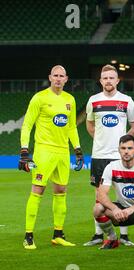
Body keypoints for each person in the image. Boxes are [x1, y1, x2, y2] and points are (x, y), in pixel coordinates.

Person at [19, 65, 83, 250]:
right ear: (49, 77)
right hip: (44, 151)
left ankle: (58, 234)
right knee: (37, 190)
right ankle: (28, 236)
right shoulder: (39, 98)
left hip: (63, 152)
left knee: (61, 191)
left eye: (61, 76)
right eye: (55, 75)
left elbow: (71, 127)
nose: (58, 78)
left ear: (66, 79)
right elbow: (27, 125)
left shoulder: (69, 99)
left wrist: (77, 149)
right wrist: (24, 151)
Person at [83, 64, 134, 247]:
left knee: (123, 194)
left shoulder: (127, 101)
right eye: (105, 78)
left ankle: (124, 235)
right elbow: (90, 125)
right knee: (99, 195)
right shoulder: (93, 101)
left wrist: (123, 146)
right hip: (99, 155)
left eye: (111, 78)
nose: (108, 81)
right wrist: (100, 140)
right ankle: (99, 233)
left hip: (119, 156)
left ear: (117, 80)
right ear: (100, 81)